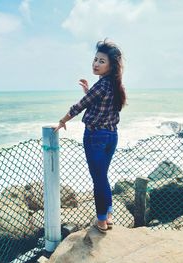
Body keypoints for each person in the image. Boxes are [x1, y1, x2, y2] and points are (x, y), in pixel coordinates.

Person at [54, 39, 126, 233]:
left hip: (96, 137)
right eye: (95, 59)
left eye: (101, 61)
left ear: (111, 65)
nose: (96, 63)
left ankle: (102, 220)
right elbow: (99, 102)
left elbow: (80, 106)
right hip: (111, 136)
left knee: (99, 179)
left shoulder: (101, 85)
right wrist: (88, 90)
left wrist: (62, 121)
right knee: (103, 177)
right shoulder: (113, 85)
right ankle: (108, 215)